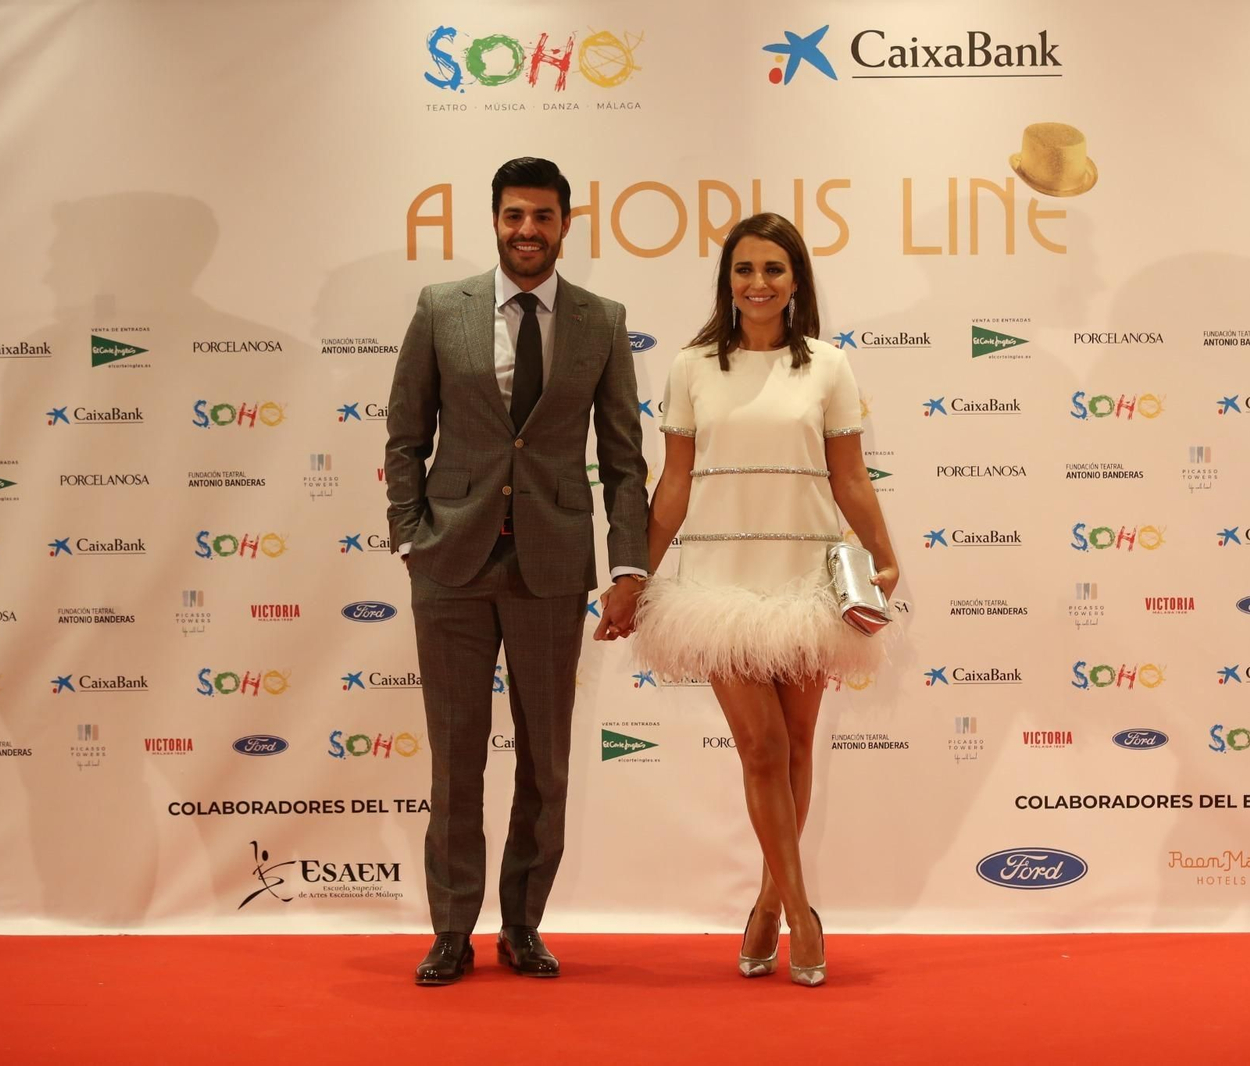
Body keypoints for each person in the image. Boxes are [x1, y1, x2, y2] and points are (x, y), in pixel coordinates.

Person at [384, 157, 650, 986]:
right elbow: (404, 434)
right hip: (451, 564)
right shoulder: (441, 309)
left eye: (542, 216)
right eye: (512, 216)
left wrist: (629, 566)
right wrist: (409, 537)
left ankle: (524, 926)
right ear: (494, 221)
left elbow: (624, 458)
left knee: (547, 759)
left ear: (567, 223)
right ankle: (451, 933)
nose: (526, 231)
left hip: (551, 566)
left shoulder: (602, 322)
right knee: (456, 759)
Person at [633, 213, 900, 987]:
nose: (757, 283)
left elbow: (850, 476)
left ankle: (764, 904)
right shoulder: (689, 368)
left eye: (774, 270)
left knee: (797, 742)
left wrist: (884, 558)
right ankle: (802, 911)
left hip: (806, 580)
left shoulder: (827, 367)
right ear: (727, 279)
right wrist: (636, 576)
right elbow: (673, 482)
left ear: (796, 282)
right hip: (718, 584)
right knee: (760, 748)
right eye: (744, 268)